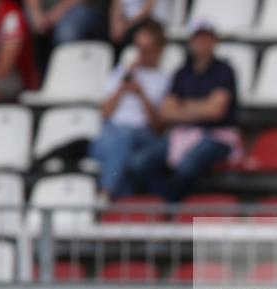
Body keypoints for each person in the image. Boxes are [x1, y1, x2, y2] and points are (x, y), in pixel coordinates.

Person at [128, 21, 239, 203]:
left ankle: (173, 209)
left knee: (186, 167)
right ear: (191, 41)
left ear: (214, 41)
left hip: (217, 136)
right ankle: (170, 205)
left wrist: (183, 107)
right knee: (139, 163)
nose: (201, 43)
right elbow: (166, 112)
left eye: (206, 38)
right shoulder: (182, 73)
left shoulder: (224, 71)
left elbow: (216, 111)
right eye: (198, 38)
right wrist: (202, 107)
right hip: (183, 134)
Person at [88, 18, 169, 201]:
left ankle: (106, 193)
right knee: (120, 147)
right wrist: (122, 87)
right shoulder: (121, 73)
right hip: (112, 134)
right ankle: (114, 201)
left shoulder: (165, 80)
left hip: (142, 136)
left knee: (123, 143)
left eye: (146, 50)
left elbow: (158, 128)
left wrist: (142, 95)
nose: (141, 55)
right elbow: (105, 114)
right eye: (138, 49)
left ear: (159, 50)